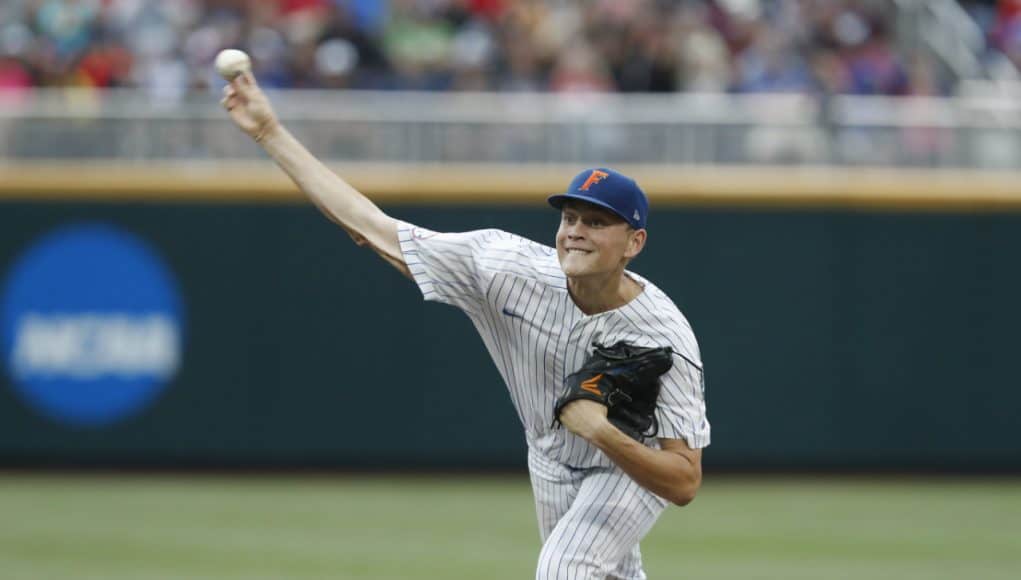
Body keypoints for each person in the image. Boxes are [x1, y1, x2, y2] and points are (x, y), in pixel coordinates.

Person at [221, 71, 710, 579]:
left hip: (628, 464)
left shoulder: (663, 335)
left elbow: (683, 482)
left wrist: (601, 432)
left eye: (597, 222)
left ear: (634, 243)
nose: (576, 233)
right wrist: (269, 133)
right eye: (570, 218)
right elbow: (373, 229)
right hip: (547, 453)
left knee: (565, 568)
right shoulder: (503, 267)